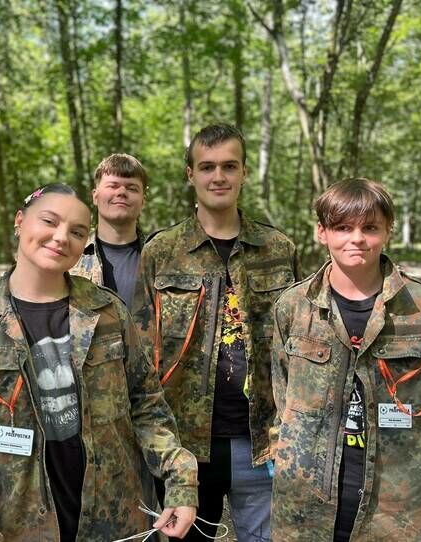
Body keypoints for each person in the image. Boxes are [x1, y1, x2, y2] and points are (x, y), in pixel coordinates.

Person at [0, 183, 198, 542]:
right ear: (20, 222)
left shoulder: (108, 313)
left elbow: (146, 406)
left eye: (78, 232)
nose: (61, 237)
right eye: (49, 221)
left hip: (116, 519)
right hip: (18, 527)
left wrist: (180, 482)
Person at [132, 124, 300, 541]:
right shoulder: (161, 252)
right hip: (184, 447)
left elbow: (297, 345)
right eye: (207, 167)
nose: (218, 176)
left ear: (244, 172)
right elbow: (140, 357)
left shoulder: (278, 248)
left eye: (229, 166)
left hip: (264, 439)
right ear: (190, 174)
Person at [270, 178, 421, 541]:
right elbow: (281, 394)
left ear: (388, 231)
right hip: (310, 497)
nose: (356, 238)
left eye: (370, 227)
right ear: (322, 232)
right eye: (343, 227)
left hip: (400, 498)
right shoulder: (293, 307)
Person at [70, 153, 147, 311]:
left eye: (132, 188)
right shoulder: (69, 252)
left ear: (143, 201)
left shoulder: (160, 257)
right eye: (113, 186)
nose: (122, 192)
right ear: (95, 196)